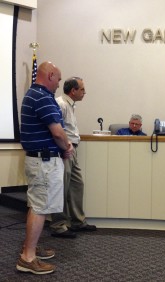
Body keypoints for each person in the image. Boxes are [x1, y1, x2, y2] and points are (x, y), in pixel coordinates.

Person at [17, 62, 73, 275]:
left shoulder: (34, 94)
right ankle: (27, 258)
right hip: (44, 162)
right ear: (50, 76)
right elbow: (58, 133)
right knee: (40, 208)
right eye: (58, 79)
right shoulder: (41, 97)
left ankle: (29, 247)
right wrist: (67, 148)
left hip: (40, 161)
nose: (59, 84)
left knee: (36, 205)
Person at [50, 77, 96, 238]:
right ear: (73, 91)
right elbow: (54, 131)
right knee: (61, 186)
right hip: (64, 150)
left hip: (72, 149)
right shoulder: (60, 104)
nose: (85, 92)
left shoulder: (70, 104)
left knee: (77, 184)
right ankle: (58, 225)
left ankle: (77, 222)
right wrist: (63, 149)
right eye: (82, 89)